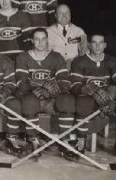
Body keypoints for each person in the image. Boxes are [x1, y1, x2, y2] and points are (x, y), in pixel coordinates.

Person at [70, 34, 116, 161]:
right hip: (89, 100)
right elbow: (74, 85)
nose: (97, 45)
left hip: (108, 101)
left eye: (100, 43)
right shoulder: (79, 61)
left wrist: (112, 93)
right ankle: (81, 140)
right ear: (89, 44)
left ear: (105, 45)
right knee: (83, 102)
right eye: (94, 42)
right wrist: (89, 89)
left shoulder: (112, 61)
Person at [15, 28, 75, 157]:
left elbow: (64, 82)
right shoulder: (23, 57)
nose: (40, 42)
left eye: (43, 39)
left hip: (50, 99)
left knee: (67, 100)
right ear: (32, 40)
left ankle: (64, 140)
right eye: (37, 39)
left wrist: (53, 91)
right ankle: (33, 139)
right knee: (29, 101)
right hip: (32, 97)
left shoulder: (56, 56)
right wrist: (40, 86)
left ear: (47, 40)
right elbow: (21, 83)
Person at [46, 4, 87, 69]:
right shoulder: (48, 32)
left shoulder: (79, 31)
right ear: (55, 16)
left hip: (74, 68)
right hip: (54, 68)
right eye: (60, 13)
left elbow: (84, 53)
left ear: (70, 15)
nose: (64, 15)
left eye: (66, 13)